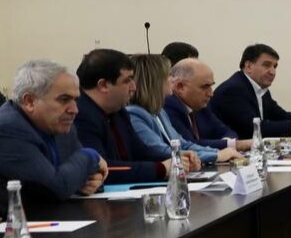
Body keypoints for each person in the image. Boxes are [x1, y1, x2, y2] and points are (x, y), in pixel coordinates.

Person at [0, 60, 107, 202]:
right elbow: (57, 187)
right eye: (64, 99)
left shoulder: (60, 125)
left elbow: (85, 175)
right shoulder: (7, 128)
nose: (74, 110)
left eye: (75, 100)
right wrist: (90, 155)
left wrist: (92, 182)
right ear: (29, 102)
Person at [74, 48, 174, 183]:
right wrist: (160, 169)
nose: (134, 87)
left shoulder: (119, 112)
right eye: (127, 81)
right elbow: (101, 168)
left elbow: (140, 151)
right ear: (103, 85)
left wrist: (176, 159)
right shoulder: (80, 116)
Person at [125, 55, 231, 168]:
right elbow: (159, 150)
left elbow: (182, 143)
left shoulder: (159, 111)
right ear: (154, 82)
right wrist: (215, 156)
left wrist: (216, 152)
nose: (172, 79)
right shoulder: (134, 114)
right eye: (168, 76)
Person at [210, 44, 291, 138]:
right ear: (249, 66)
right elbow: (254, 129)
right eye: (267, 65)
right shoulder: (233, 90)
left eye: (275, 66)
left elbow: (279, 115)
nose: (273, 72)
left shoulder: (260, 89)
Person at [164, 60, 251, 152]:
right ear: (180, 86)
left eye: (211, 86)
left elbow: (226, 131)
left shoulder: (199, 104)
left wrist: (227, 144)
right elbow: (188, 145)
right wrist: (236, 145)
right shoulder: (168, 106)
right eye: (204, 87)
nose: (211, 93)